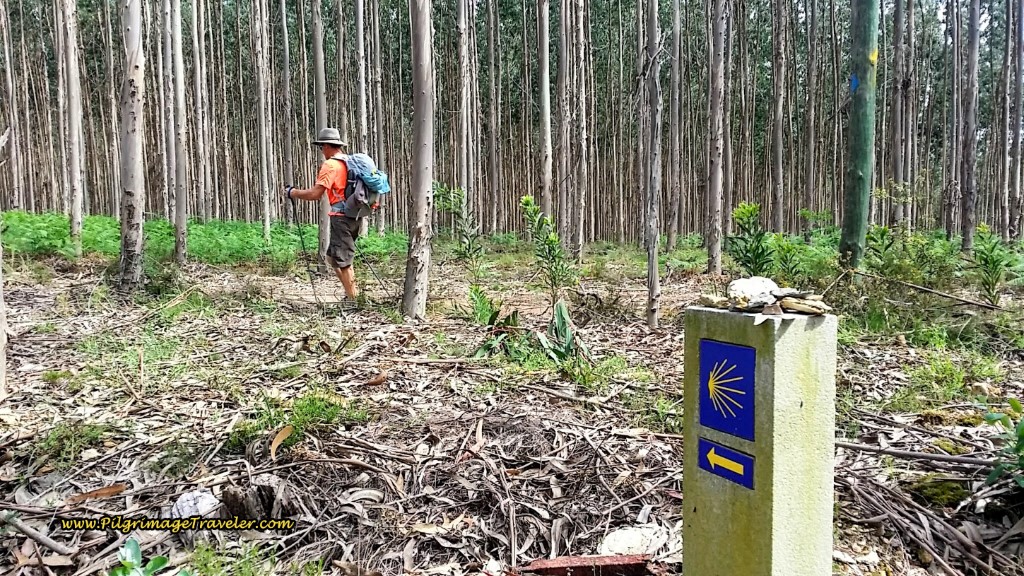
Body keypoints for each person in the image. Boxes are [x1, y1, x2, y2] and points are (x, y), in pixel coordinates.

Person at [283, 127, 362, 300]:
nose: (321, 151)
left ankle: (355, 300)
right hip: (355, 216)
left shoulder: (330, 165)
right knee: (333, 258)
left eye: (321, 147)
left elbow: (315, 194)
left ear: (326, 146)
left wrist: (293, 193)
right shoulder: (349, 161)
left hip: (341, 218)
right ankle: (352, 296)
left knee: (344, 263)